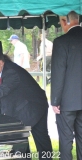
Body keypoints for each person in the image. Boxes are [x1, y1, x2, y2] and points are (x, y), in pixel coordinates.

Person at [51, 11, 82, 160]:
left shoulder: (61, 42)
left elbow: (58, 74)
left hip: (66, 103)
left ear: (65, 21)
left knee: (66, 140)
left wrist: (55, 101)